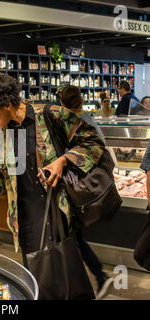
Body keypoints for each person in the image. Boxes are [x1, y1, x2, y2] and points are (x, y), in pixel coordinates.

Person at [0, 71, 105, 298]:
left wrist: (62, 161)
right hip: (25, 224)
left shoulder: (51, 115)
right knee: (39, 284)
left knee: (70, 285)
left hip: (59, 218)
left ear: (6, 104)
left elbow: (93, 141)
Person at [57, 85, 114, 299]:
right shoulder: (89, 118)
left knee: (72, 236)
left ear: (62, 103)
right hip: (88, 187)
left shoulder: (65, 122)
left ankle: (94, 278)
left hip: (74, 188)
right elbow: (102, 145)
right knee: (74, 236)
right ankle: (95, 277)